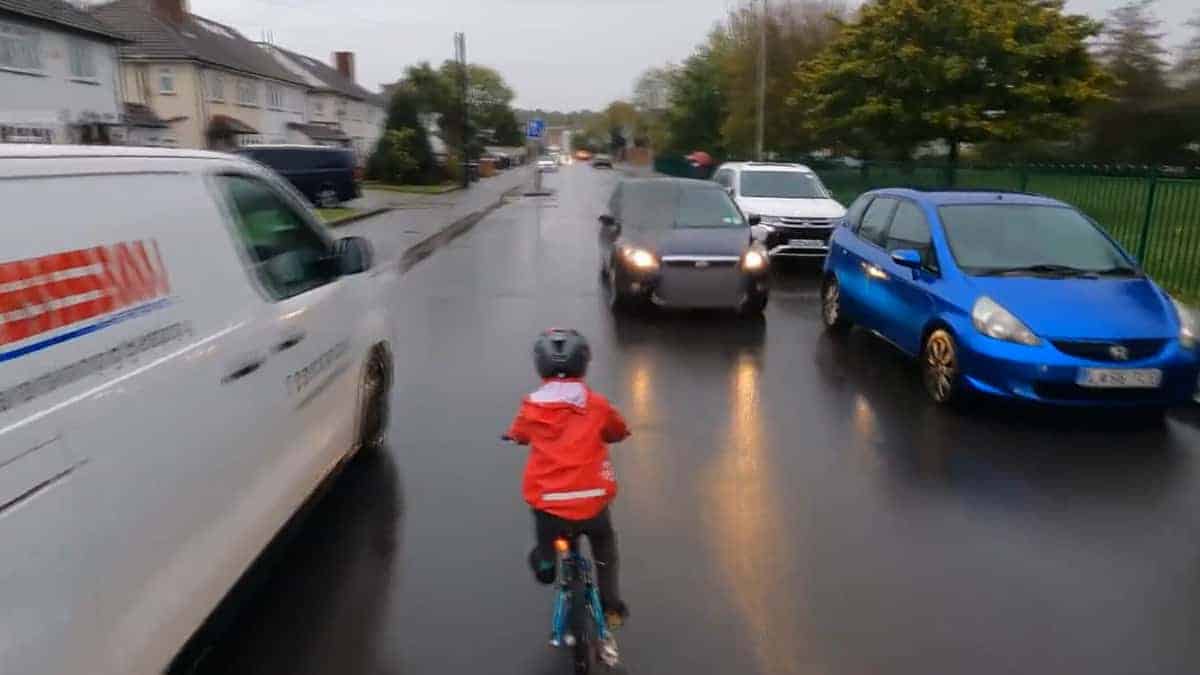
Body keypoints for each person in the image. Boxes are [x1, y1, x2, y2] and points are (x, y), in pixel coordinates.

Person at [504, 328, 631, 630]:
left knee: (544, 541)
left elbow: (519, 433)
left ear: (540, 365)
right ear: (583, 363)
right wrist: (616, 434)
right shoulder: (596, 405)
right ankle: (611, 605)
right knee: (605, 548)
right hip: (592, 502)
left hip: (549, 504)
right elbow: (618, 429)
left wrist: (515, 437)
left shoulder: (531, 407)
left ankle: (547, 563)